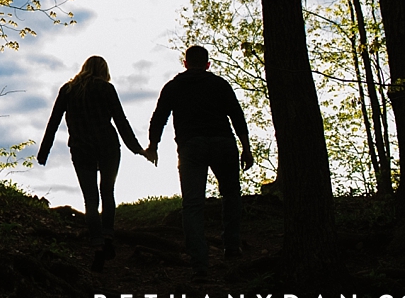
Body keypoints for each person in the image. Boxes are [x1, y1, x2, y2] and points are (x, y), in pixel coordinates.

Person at [143, 45, 254, 280]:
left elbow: (159, 118)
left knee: (193, 204)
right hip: (223, 143)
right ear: (207, 64)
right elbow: (237, 115)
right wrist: (246, 148)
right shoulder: (219, 84)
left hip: (190, 146)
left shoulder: (173, 86)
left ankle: (199, 264)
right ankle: (232, 247)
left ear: (185, 63)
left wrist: (153, 146)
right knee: (231, 194)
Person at [38, 55, 147, 271]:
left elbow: (54, 122)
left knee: (90, 199)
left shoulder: (68, 90)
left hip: (81, 148)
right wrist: (137, 149)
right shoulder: (107, 89)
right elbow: (120, 120)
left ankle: (97, 246)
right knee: (107, 192)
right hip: (107, 145)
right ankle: (108, 237)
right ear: (104, 71)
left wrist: (44, 152)